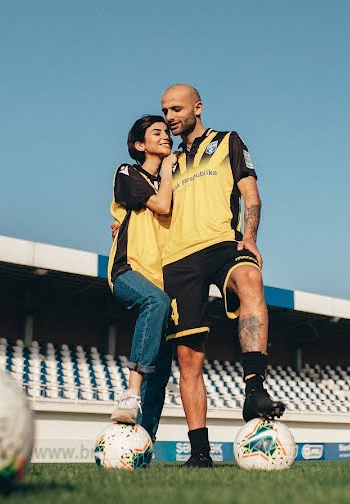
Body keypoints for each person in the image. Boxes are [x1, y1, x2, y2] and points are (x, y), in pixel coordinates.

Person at [160, 83, 285, 468]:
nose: (170, 118)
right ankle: (200, 453)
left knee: (251, 280)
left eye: (177, 109)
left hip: (224, 243)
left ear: (198, 107)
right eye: (165, 111)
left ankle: (255, 389)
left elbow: (252, 194)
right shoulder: (168, 163)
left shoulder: (228, 141)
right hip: (179, 260)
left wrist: (250, 237)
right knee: (188, 358)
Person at [107, 115, 176, 438]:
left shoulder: (171, 181)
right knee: (154, 300)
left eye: (167, 132)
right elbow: (161, 206)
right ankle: (130, 392)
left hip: (164, 280)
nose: (166, 136)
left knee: (161, 373)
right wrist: (168, 166)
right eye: (157, 133)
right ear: (139, 144)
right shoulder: (128, 172)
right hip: (128, 271)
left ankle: (143, 442)